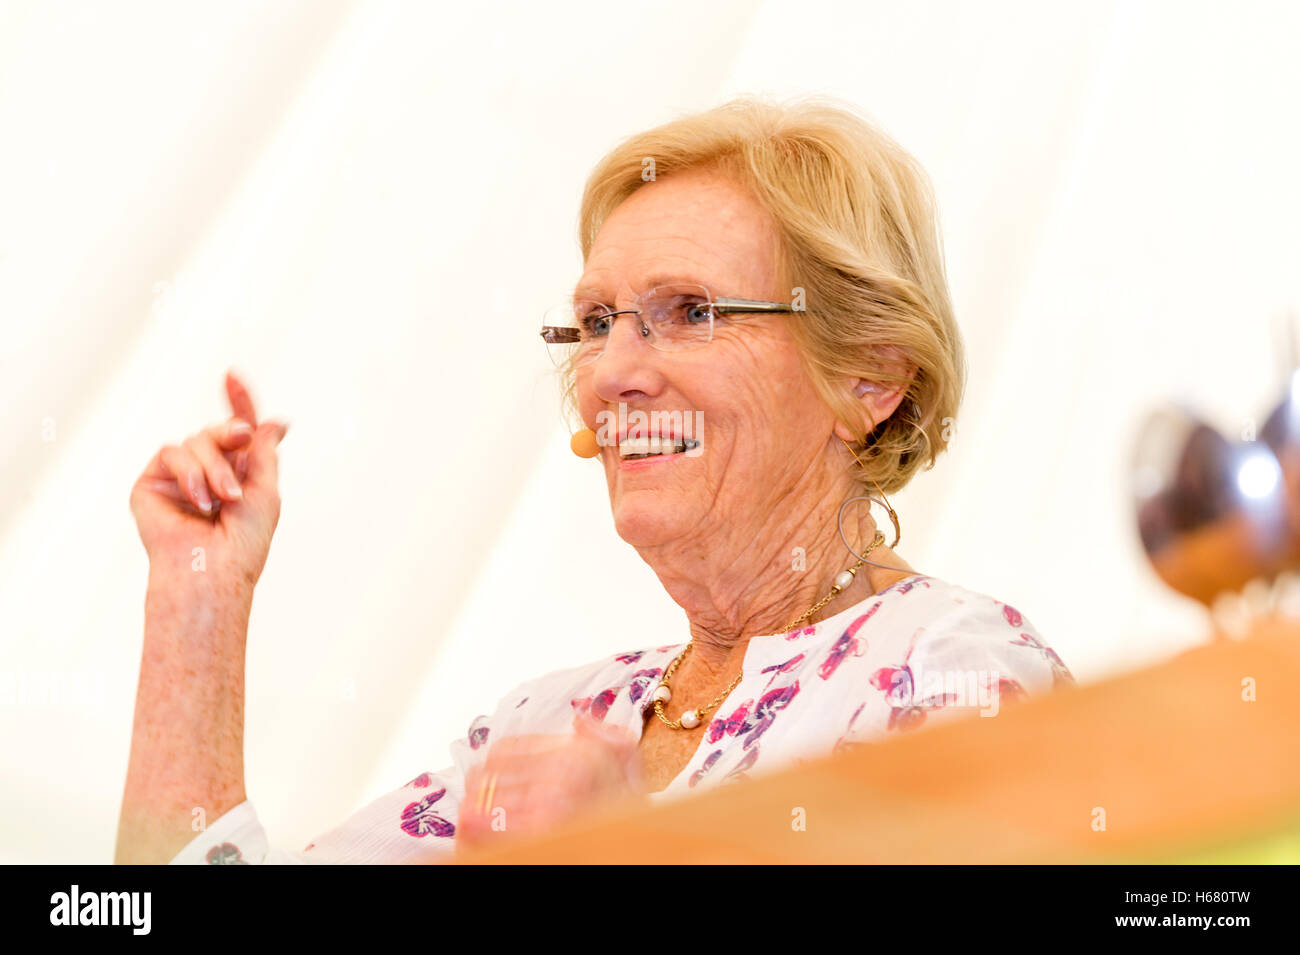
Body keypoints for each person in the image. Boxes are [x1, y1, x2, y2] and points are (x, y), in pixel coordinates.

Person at [115, 96, 1074, 865]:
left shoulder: (955, 665)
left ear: (869, 375)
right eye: (597, 321)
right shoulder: (545, 721)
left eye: (689, 311)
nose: (612, 372)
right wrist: (198, 595)